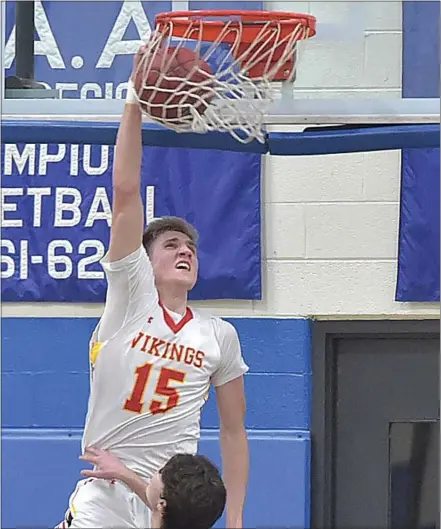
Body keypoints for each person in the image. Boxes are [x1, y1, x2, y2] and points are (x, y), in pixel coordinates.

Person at [57, 45, 249, 528]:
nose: (184, 250)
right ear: (143, 260)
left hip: (169, 501)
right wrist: (134, 98)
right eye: (170, 244)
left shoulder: (219, 335)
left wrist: (238, 519)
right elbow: (125, 192)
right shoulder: (130, 296)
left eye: (190, 247)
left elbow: (233, 431)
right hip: (106, 494)